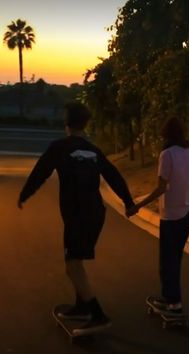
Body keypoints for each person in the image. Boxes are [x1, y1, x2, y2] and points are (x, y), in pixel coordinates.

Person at [18, 101, 134, 334]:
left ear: (66, 122)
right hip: (95, 213)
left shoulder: (60, 147)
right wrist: (128, 202)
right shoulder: (93, 150)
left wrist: (25, 195)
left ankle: (98, 314)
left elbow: (40, 172)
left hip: (79, 215)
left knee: (72, 266)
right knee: (76, 260)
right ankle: (81, 306)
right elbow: (113, 175)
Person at [127, 117, 189, 315]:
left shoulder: (167, 154)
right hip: (187, 214)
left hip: (171, 216)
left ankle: (172, 302)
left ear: (165, 134)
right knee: (175, 260)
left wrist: (138, 206)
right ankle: (171, 298)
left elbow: (161, 188)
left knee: (167, 263)